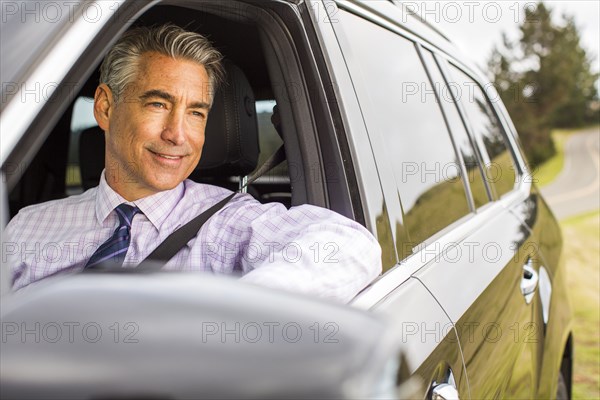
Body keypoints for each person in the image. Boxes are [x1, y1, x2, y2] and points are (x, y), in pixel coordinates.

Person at [3, 24, 381, 303]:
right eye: (158, 104)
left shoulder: (225, 223)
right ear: (105, 107)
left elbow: (349, 247)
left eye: (196, 113)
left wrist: (226, 317)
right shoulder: (28, 227)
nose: (177, 135)